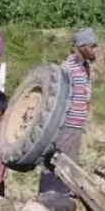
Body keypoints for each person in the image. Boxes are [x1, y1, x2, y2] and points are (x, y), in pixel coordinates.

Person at [39, 28, 98, 194]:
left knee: (69, 168)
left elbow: (85, 95)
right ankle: (50, 201)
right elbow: (58, 96)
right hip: (66, 126)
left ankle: (60, 202)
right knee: (60, 167)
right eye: (91, 46)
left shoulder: (85, 67)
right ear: (81, 46)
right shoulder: (67, 68)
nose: (94, 50)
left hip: (77, 126)